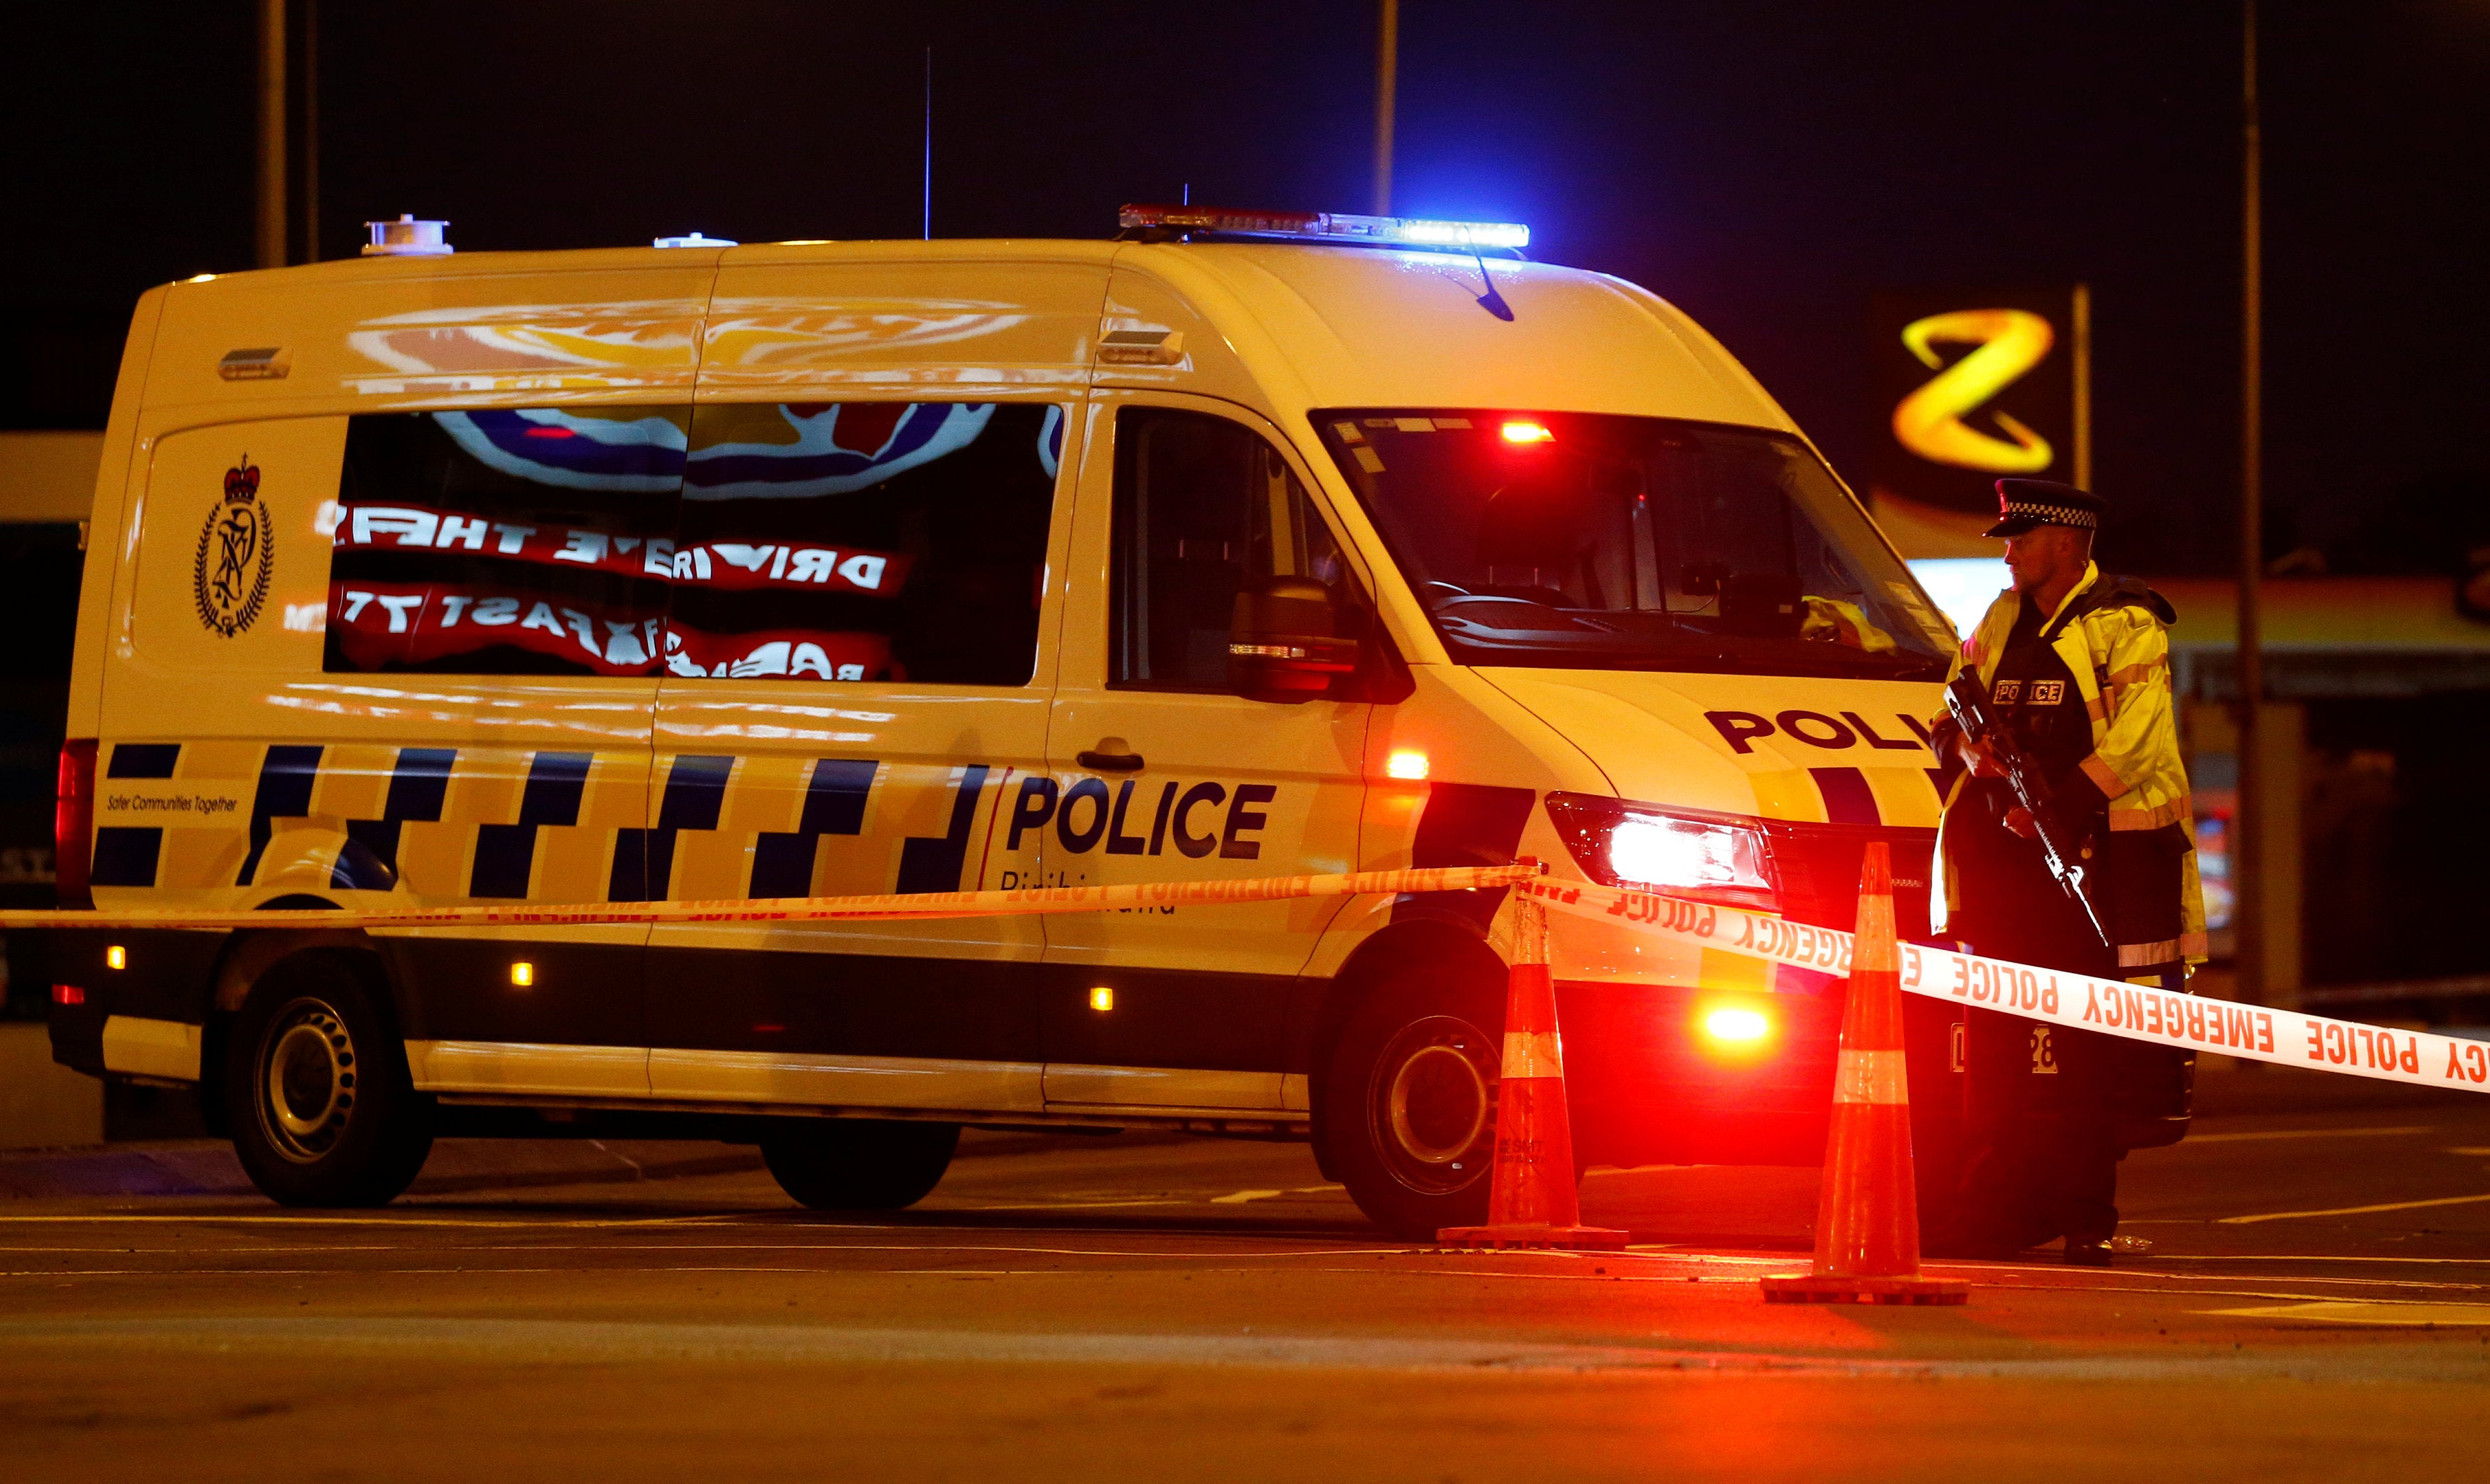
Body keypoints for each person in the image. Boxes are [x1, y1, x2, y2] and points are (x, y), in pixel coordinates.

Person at [1924, 479, 2206, 1266]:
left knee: (2086, 1050)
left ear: (2066, 542)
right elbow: (1948, 706)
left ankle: (2086, 1216)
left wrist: (2053, 810)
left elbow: (2139, 744)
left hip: (2091, 870)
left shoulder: (2125, 621)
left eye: (2020, 538)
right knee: (1990, 1052)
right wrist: (1970, 752)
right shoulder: (1999, 617)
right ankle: (1987, 1212)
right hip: (1999, 874)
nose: (2007, 552)